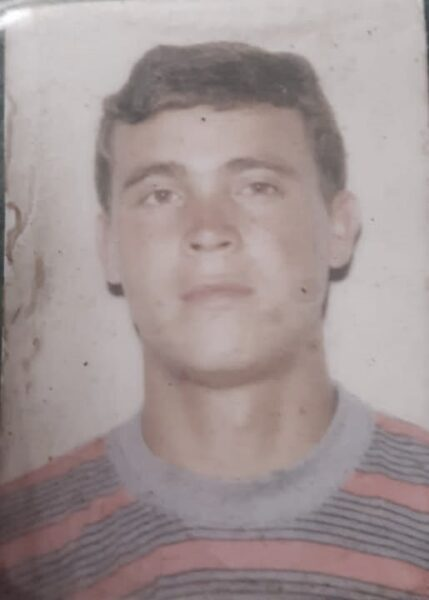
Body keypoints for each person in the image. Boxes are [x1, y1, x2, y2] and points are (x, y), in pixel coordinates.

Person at [0, 41, 428, 599]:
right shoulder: (20, 548)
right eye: (161, 194)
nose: (207, 230)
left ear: (338, 227)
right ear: (109, 247)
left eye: (257, 186)